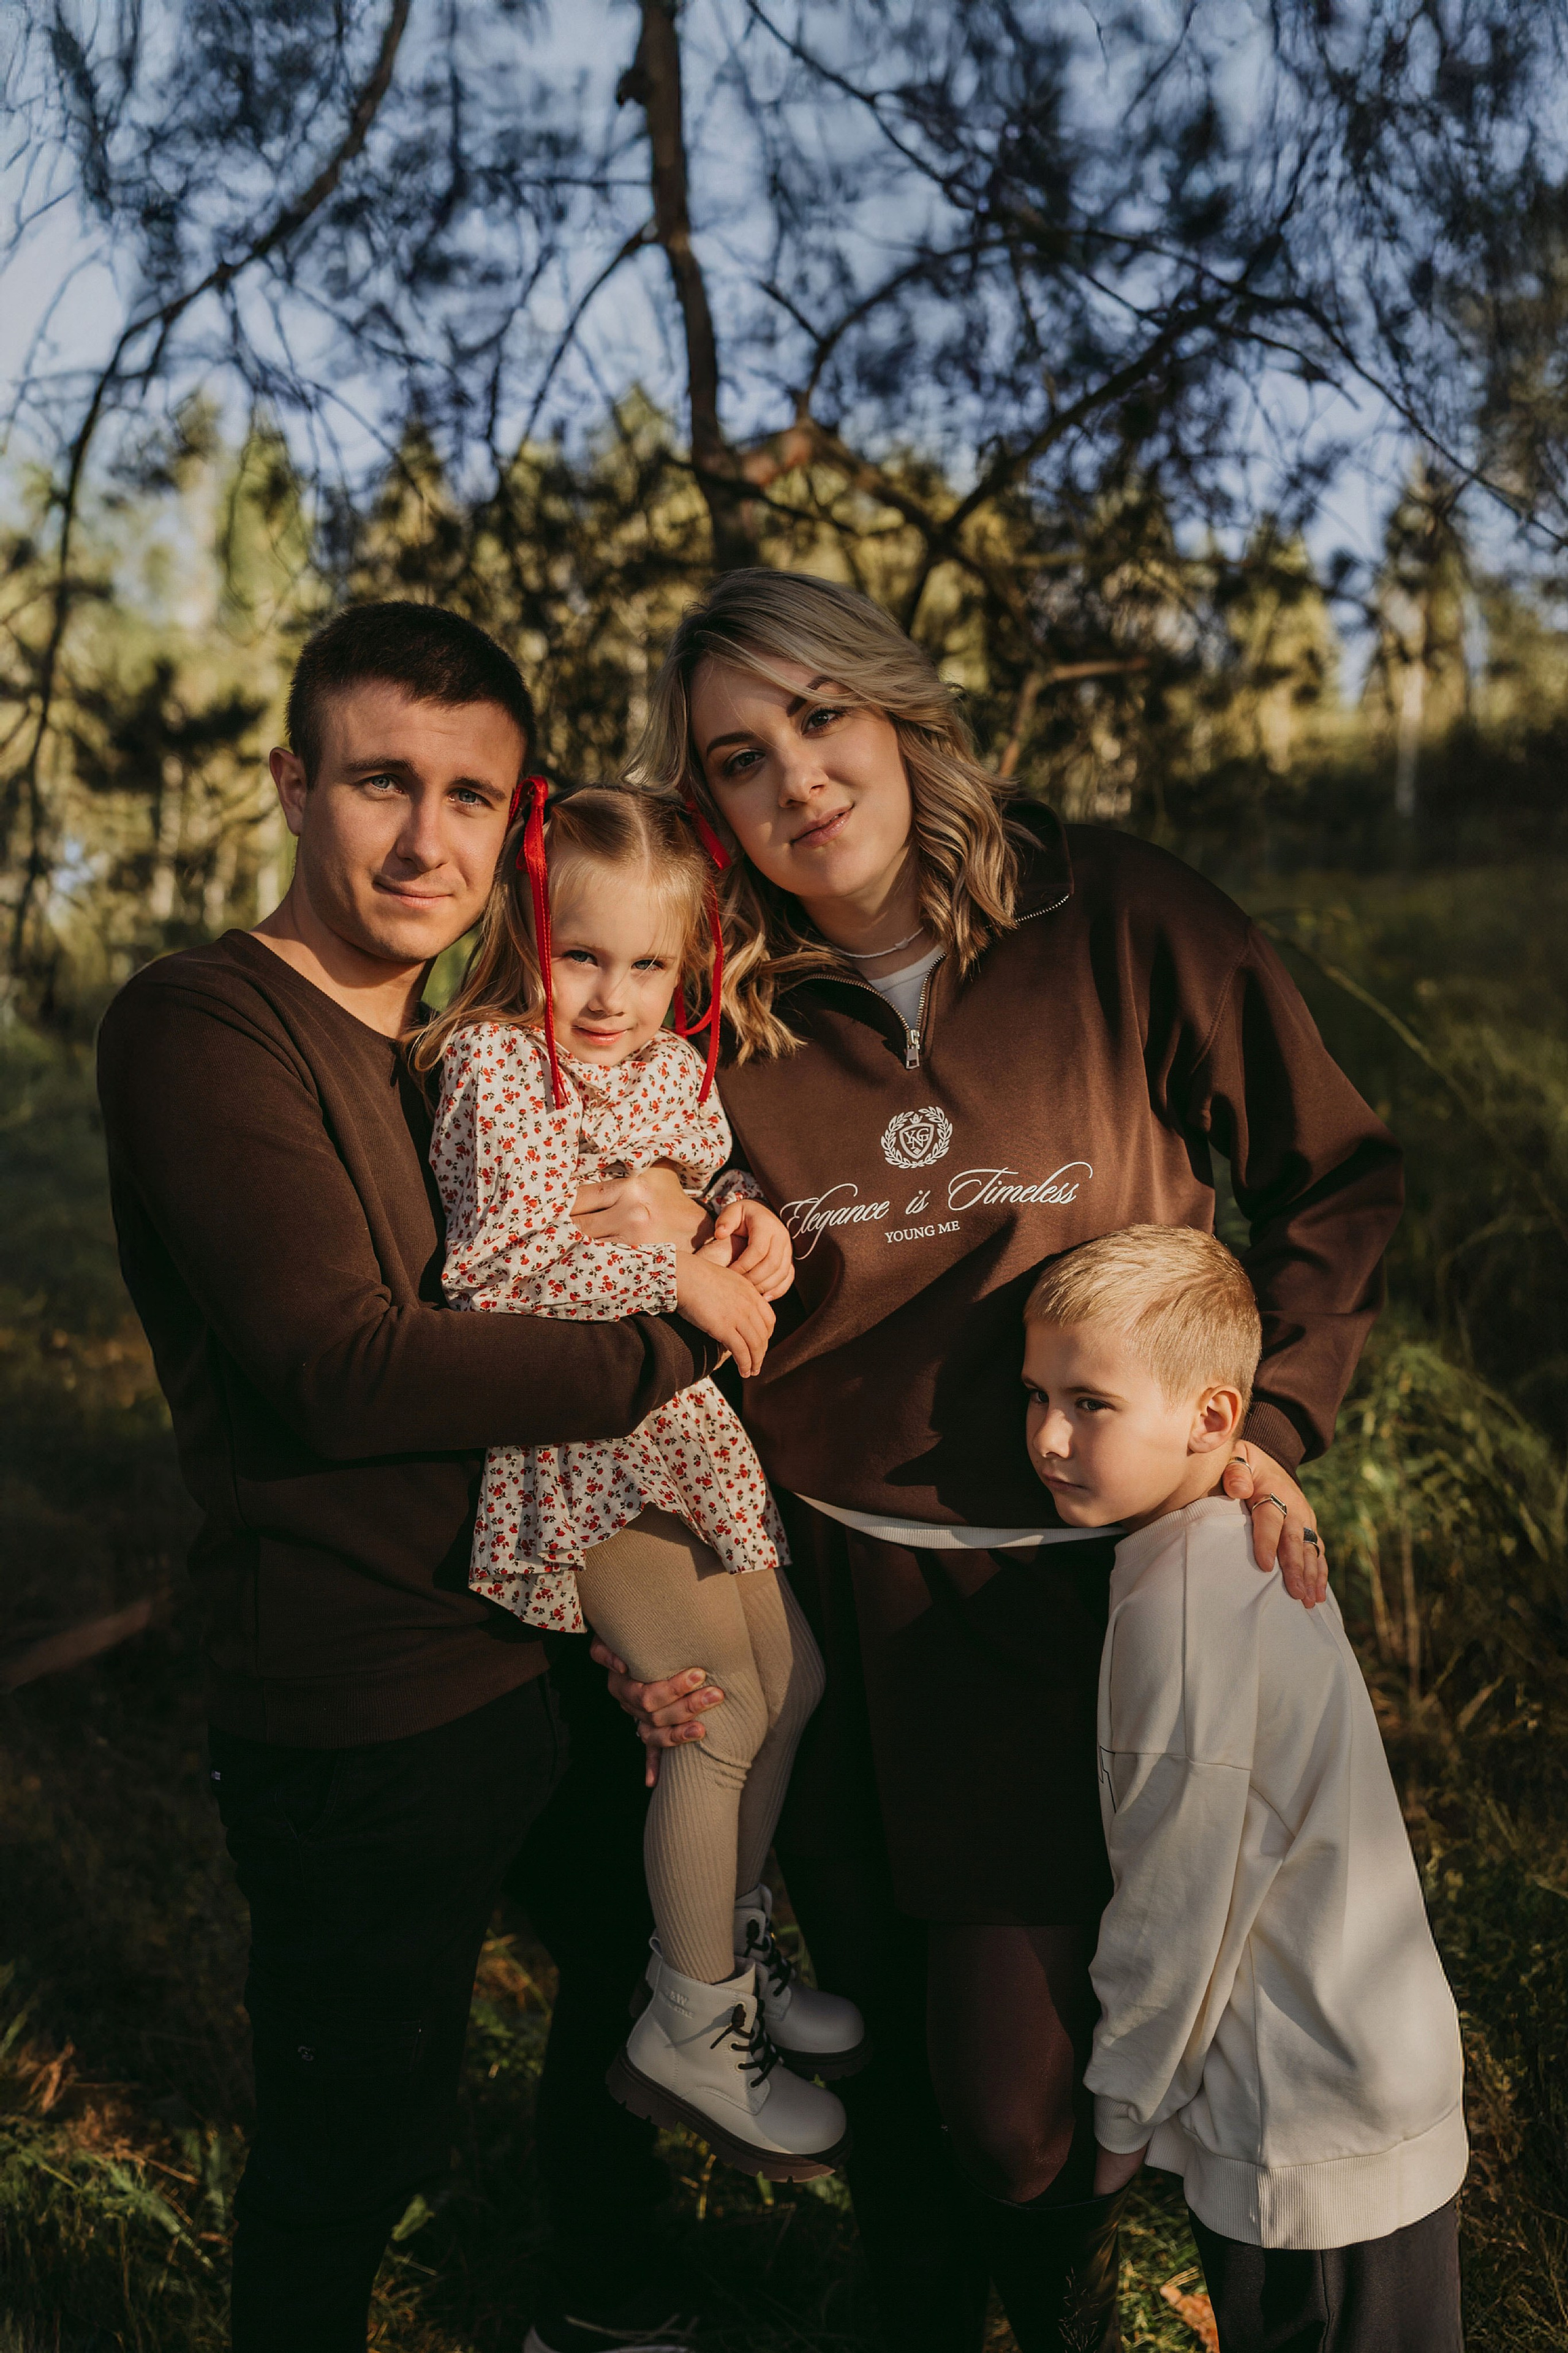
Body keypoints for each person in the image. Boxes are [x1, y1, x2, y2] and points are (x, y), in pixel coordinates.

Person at [587, 568, 1404, 2352]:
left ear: (899, 711)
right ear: (706, 803)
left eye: (820, 716)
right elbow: (609, 1219)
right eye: (736, 758)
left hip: (1079, 1594)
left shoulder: (1113, 913)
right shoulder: (716, 999)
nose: (796, 778)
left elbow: (1335, 1176)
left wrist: (1268, 1424)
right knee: (873, 2028)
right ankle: (919, 2312)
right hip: (821, 1585)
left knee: (1022, 2106)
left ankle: (1063, 2306)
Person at [94, 602, 774, 2353]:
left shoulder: (489, 1041)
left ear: (518, 822)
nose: (424, 839)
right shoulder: (205, 1027)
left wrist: (714, 1222)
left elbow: (618, 1199)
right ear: (291, 783)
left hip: (543, 1624)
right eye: (379, 781)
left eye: (469, 796)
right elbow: (342, 1364)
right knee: (359, 2131)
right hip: (365, 1679)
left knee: (640, 1958)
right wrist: (678, 1328)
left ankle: (603, 2293)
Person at [413, 781, 864, 2177]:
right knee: (718, 1715)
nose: (611, 995)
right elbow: (489, 1275)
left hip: (677, 1426)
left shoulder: (673, 1066)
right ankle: (689, 2016)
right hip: (578, 1444)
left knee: (795, 1681)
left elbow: (709, 1179)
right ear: (524, 933)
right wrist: (671, 1272)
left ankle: (724, 1938)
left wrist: (741, 1221)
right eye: (580, 954)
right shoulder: (494, 1065)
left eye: (648, 963)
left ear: (689, 964)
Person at [1020, 1225, 1466, 2353]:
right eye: (1037, 1396)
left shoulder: (1187, 1607)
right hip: (1370, 2068)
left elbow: (1172, 1906)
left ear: (1214, 1417)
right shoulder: (1227, 1545)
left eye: (1090, 1403)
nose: (1048, 1437)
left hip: (1303, 2123)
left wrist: (1119, 2117)